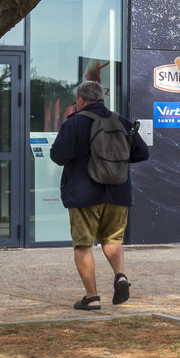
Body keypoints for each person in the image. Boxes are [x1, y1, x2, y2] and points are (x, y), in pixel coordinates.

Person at [48, 80, 149, 311]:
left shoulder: (74, 123)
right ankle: (121, 276)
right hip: (118, 192)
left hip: (83, 194)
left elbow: (58, 156)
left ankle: (92, 298)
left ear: (80, 100)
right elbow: (142, 153)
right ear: (102, 99)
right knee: (113, 240)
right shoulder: (120, 121)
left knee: (83, 245)